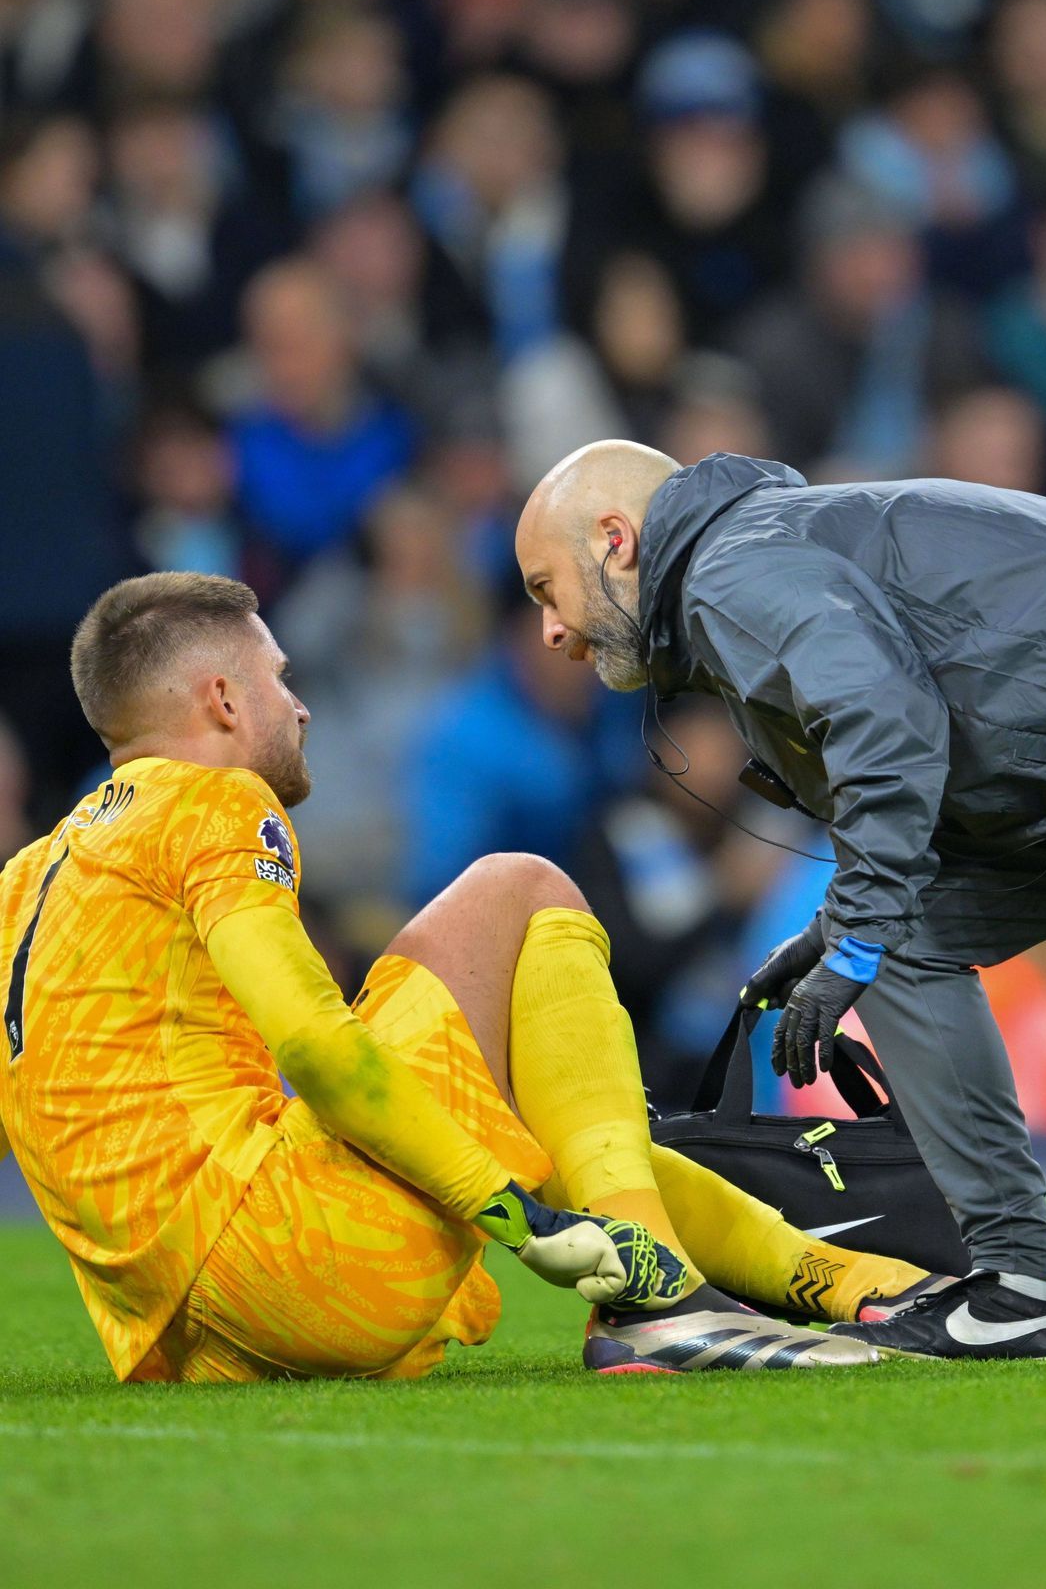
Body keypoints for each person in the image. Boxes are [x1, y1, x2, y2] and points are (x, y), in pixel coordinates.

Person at [0, 572, 939, 1384]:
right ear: (222, 702)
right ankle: (657, 1303)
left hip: (185, 1334)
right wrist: (512, 1216)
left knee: (560, 1120)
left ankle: (855, 1281)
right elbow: (316, 1047)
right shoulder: (213, 800)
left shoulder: (31, 877)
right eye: (280, 679)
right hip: (293, 1259)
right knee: (520, 885)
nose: (300, 706)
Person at [514, 436, 1046, 1360]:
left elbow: (887, 720)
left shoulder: (730, 571)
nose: (550, 630)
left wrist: (859, 932)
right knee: (902, 932)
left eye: (543, 588)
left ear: (614, 539)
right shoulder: (761, 551)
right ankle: (1020, 1286)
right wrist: (845, 926)